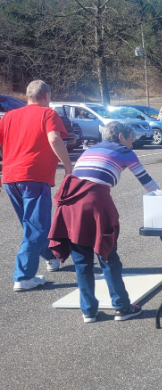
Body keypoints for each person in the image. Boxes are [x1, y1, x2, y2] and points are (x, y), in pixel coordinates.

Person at [49, 122, 159, 323]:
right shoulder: (125, 152)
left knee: (82, 262)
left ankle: (88, 311)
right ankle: (123, 308)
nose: (131, 145)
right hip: (96, 203)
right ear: (120, 137)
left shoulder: (91, 149)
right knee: (108, 257)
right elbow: (147, 182)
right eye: (130, 140)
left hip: (70, 206)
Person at [0, 80, 72, 292]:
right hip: (34, 177)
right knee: (37, 227)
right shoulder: (47, 114)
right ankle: (24, 276)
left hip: (11, 177)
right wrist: (68, 167)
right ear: (47, 96)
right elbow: (54, 139)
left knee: (31, 226)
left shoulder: (10, 116)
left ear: (27, 96)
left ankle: (51, 257)